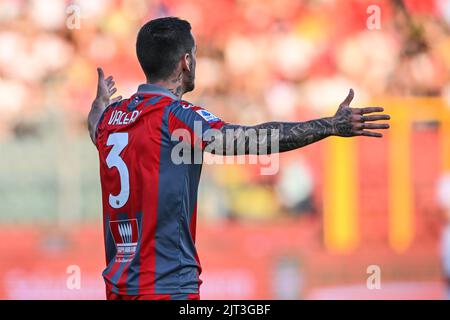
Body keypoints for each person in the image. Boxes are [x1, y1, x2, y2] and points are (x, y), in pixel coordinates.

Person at [87, 17, 390, 300]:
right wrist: (331, 126)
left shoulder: (112, 117)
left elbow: (95, 125)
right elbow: (253, 140)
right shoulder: (175, 117)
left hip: (118, 285)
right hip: (167, 285)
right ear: (186, 62)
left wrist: (99, 104)